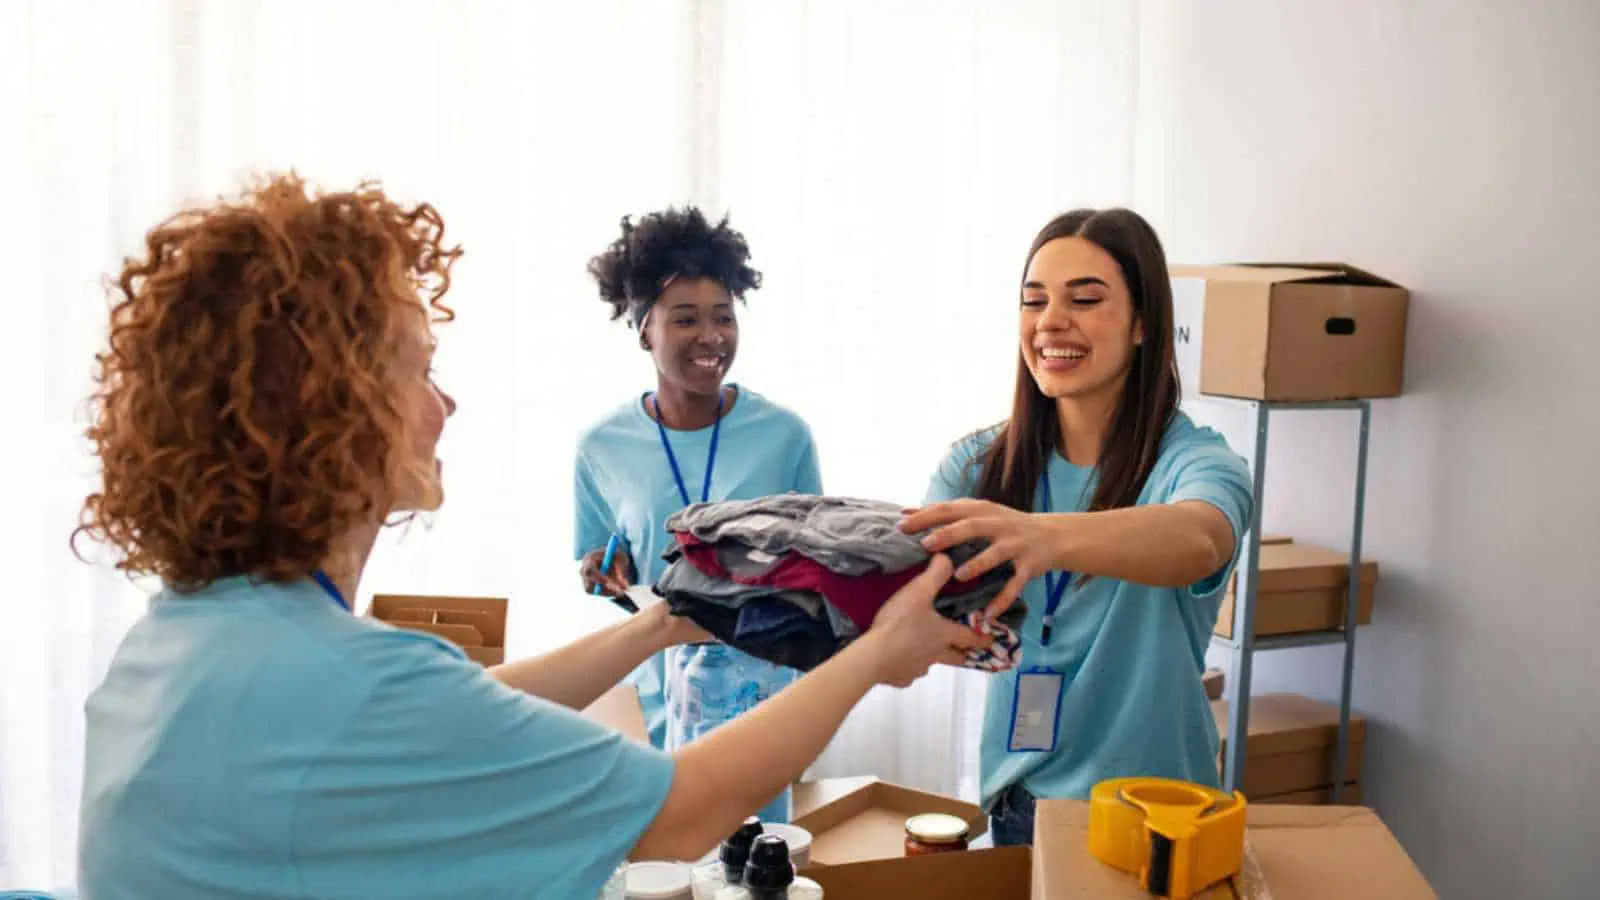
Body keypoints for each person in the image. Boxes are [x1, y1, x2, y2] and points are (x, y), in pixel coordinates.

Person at [73, 174, 988, 899]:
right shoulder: (351, 683)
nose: (447, 402)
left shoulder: (185, 641)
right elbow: (674, 815)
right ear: (328, 407)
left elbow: (460, 704)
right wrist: (876, 656)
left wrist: (663, 623)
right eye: (421, 369)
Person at [899, 208, 1255, 847]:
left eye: (1085, 299)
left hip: (1160, 818)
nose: (1051, 322)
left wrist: (1042, 536)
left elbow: (1199, 540)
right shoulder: (976, 467)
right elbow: (914, 604)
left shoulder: (1198, 462)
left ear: (1144, 323)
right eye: (1033, 301)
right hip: (1021, 808)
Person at [573, 207, 821, 821]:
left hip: (762, 706)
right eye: (685, 319)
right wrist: (603, 573)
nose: (711, 337)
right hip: (660, 704)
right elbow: (602, 558)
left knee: (757, 872)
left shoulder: (785, 435)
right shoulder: (601, 447)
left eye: (724, 318)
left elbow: (818, 565)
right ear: (643, 330)